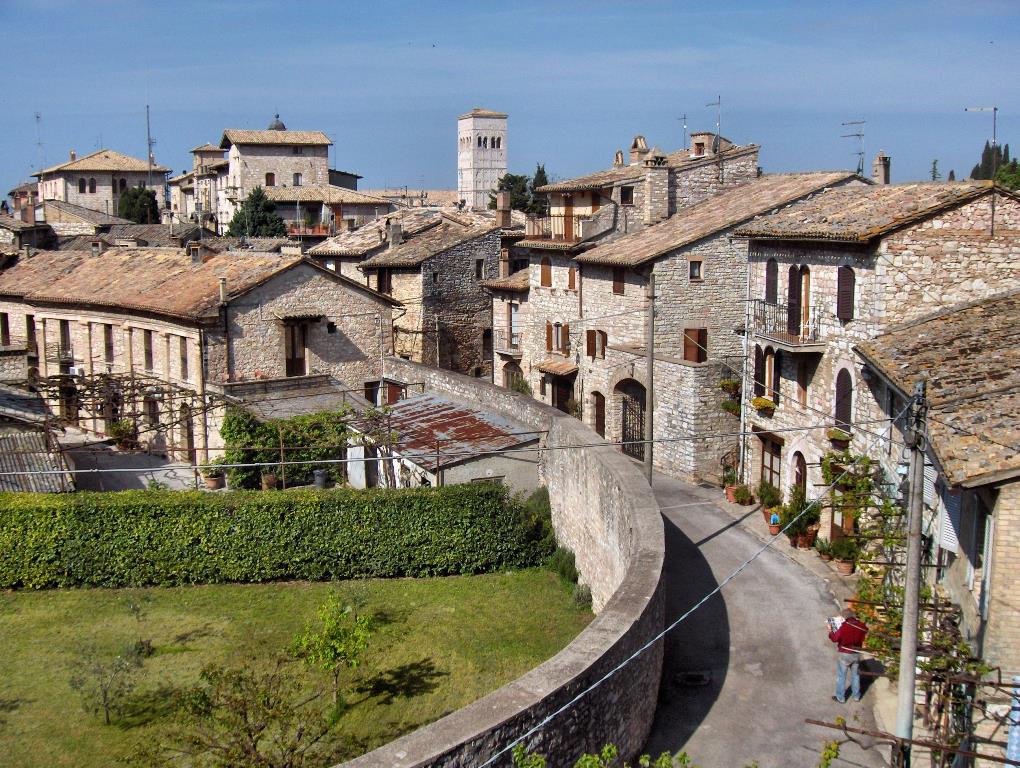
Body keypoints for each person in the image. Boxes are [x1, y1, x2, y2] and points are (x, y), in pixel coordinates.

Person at [829, 607, 868, 703]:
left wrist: (830, 631)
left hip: (844, 653)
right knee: (856, 676)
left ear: (844, 617)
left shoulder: (844, 626)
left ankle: (840, 697)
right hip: (856, 653)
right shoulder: (861, 625)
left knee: (842, 676)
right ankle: (856, 696)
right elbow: (865, 630)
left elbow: (834, 638)